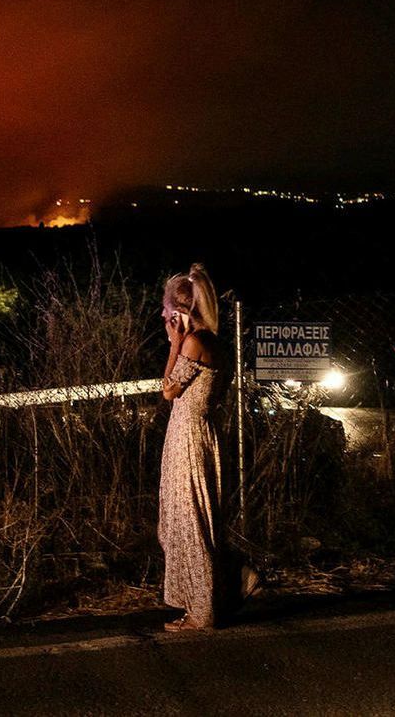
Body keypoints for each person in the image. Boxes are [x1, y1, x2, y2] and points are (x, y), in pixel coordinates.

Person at [157, 262, 232, 630]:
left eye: (167, 307)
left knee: (192, 523)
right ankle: (221, 590)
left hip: (188, 436)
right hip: (201, 431)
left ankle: (201, 612)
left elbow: (169, 389)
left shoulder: (193, 342)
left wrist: (174, 344)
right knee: (194, 520)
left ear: (181, 312)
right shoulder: (216, 341)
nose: (162, 313)